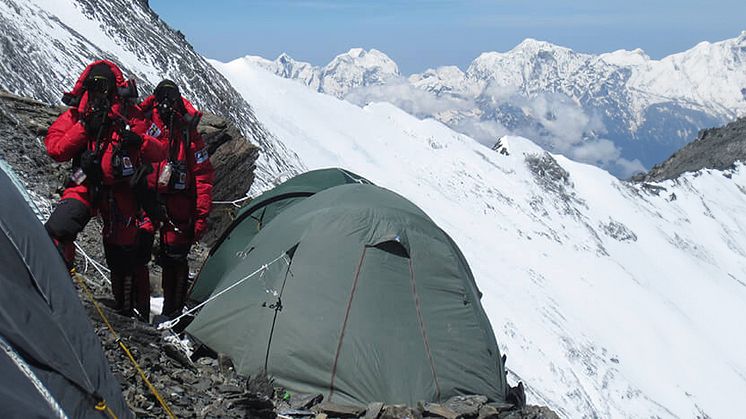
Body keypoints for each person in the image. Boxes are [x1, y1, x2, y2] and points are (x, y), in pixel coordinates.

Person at [44, 60, 167, 319]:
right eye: (95, 87)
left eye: (103, 87)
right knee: (58, 229)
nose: (99, 92)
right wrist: (84, 128)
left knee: (125, 251)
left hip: (120, 189)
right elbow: (56, 149)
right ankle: (55, 292)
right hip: (85, 182)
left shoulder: (128, 115)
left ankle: (130, 311)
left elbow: (158, 150)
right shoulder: (78, 114)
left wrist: (139, 140)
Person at [139, 80, 214, 319]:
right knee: (136, 249)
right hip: (147, 199)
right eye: (162, 99)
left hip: (177, 205)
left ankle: (173, 313)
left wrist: (200, 215)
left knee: (175, 257)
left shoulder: (188, 135)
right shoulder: (146, 124)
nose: (166, 105)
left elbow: (202, 176)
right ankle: (136, 309)